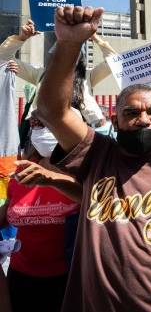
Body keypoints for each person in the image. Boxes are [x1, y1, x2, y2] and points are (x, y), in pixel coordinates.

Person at [34, 5, 151, 312]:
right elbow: (51, 110)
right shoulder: (95, 154)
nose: (144, 119)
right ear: (116, 117)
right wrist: (70, 43)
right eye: (132, 112)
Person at [0, 110, 81, 312]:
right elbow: (7, 211)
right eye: (38, 124)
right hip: (21, 278)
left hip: (69, 279)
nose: (44, 130)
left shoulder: (85, 176)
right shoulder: (22, 171)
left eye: (52, 124)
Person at [0, 22, 113, 127]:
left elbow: (114, 63)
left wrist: (95, 37)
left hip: (82, 133)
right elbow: (3, 57)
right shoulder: (40, 74)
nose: (64, 57)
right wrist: (22, 38)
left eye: (71, 53)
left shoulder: (87, 75)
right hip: (46, 135)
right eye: (59, 53)